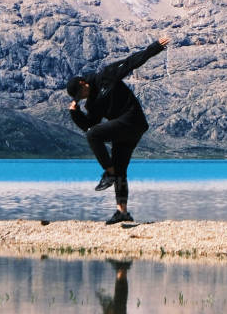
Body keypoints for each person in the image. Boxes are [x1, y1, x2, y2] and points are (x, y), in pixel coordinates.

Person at [66, 35, 170, 224]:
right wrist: (76, 113)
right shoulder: (91, 104)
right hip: (124, 132)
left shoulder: (106, 75)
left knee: (98, 142)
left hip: (133, 120)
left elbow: (131, 63)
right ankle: (122, 212)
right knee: (120, 169)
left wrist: (154, 47)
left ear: (83, 84)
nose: (80, 98)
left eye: (78, 95)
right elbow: (89, 125)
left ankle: (109, 172)